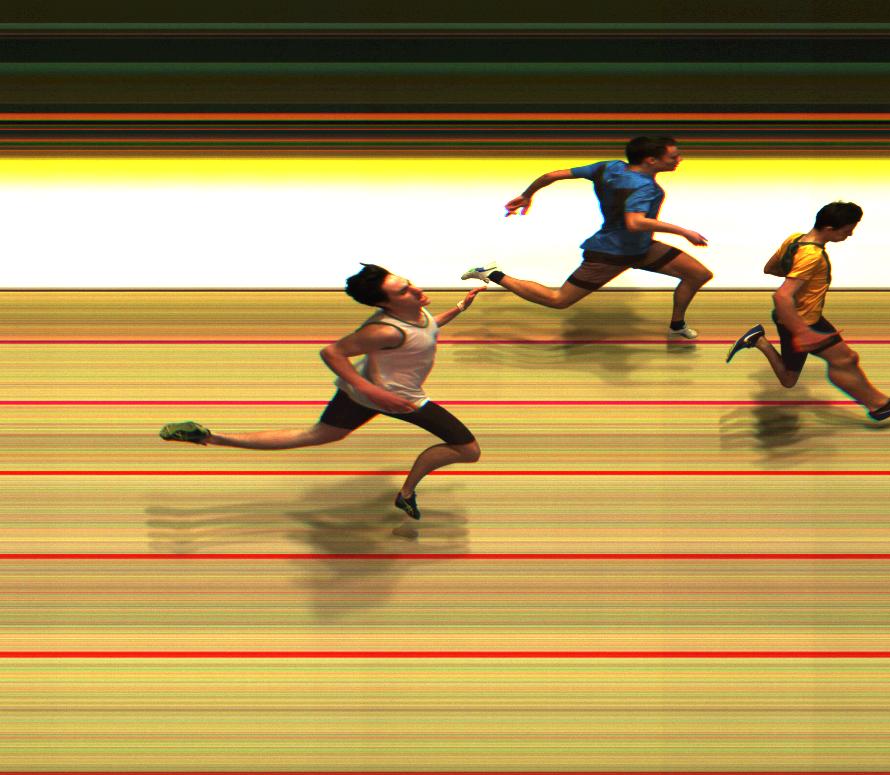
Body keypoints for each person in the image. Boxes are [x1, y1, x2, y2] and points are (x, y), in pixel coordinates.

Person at [158, 264, 483, 521]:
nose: (415, 289)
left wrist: (459, 307)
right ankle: (406, 494)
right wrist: (374, 392)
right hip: (399, 399)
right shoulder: (384, 330)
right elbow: (332, 353)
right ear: (385, 303)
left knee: (316, 435)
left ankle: (210, 437)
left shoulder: (415, 312)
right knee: (468, 449)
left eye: (409, 283)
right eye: (404, 290)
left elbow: (427, 329)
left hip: (365, 394)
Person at [463, 135, 712, 339]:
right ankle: (492, 273)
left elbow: (551, 176)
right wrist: (683, 231)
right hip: (610, 254)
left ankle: (676, 325)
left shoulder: (608, 167)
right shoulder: (645, 188)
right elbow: (635, 222)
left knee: (698, 274)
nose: (679, 159)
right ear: (651, 160)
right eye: (673, 156)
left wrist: (527, 194)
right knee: (558, 300)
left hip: (642, 247)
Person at [723, 201, 890, 421]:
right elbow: (781, 296)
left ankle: (758, 340)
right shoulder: (812, 256)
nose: (850, 235)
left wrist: (798, 276)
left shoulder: (795, 240)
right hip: (801, 322)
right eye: (846, 231)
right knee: (844, 360)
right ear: (829, 229)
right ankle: (880, 406)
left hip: (802, 318)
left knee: (790, 379)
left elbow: (770, 268)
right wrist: (803, 333)